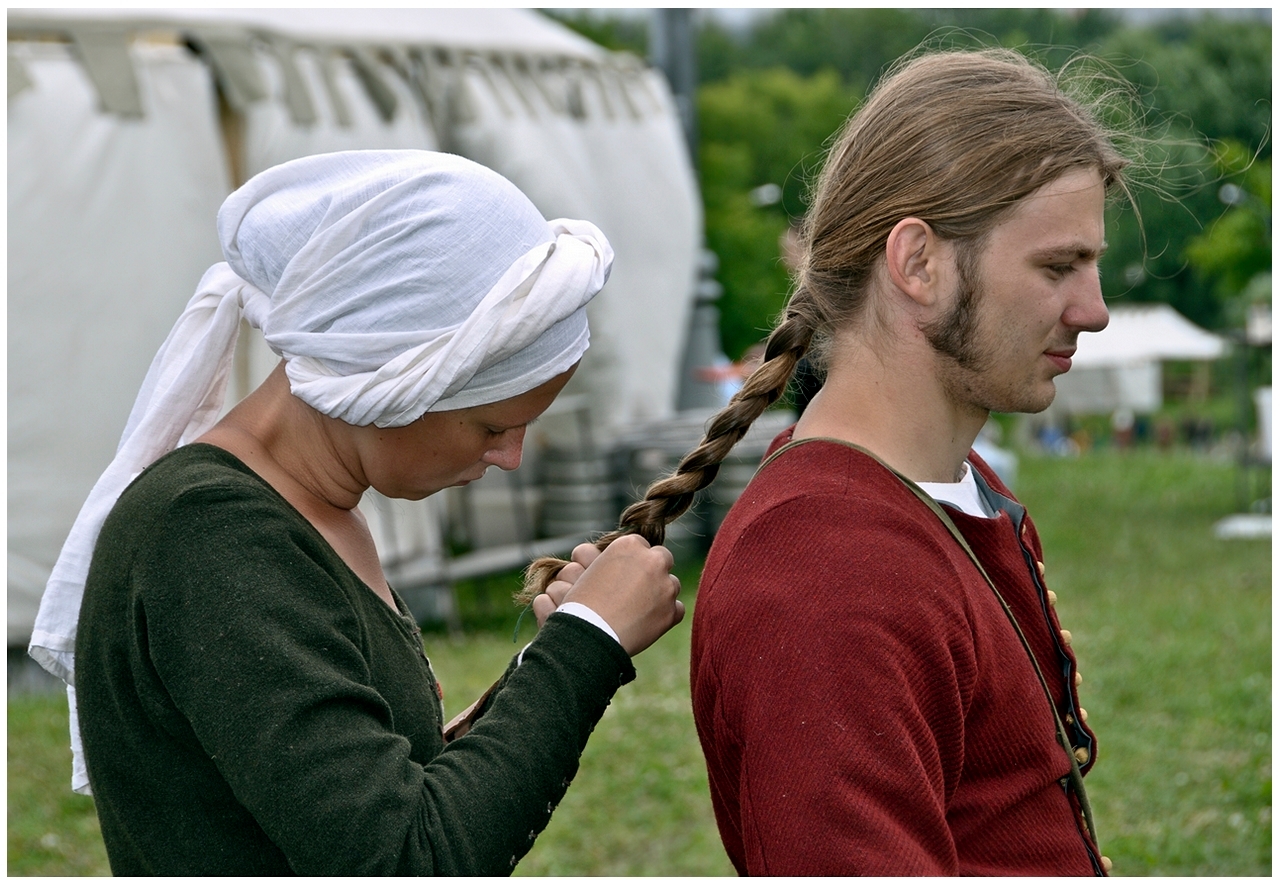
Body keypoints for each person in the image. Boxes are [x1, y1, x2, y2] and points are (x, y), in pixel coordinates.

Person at [528, 48, 1127, 875]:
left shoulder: (945, 489)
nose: (1093, 310)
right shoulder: (822, 573)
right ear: (917, 264)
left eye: (1092, 265)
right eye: (1058, 266)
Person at [27, 150, 684, 876]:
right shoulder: (211, 534)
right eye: (492, 426)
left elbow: (367, 800)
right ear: (382, 383)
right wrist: (585, 646)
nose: (511, 458)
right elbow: (411, 858)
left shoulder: (302, 514)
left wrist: (546, 659)